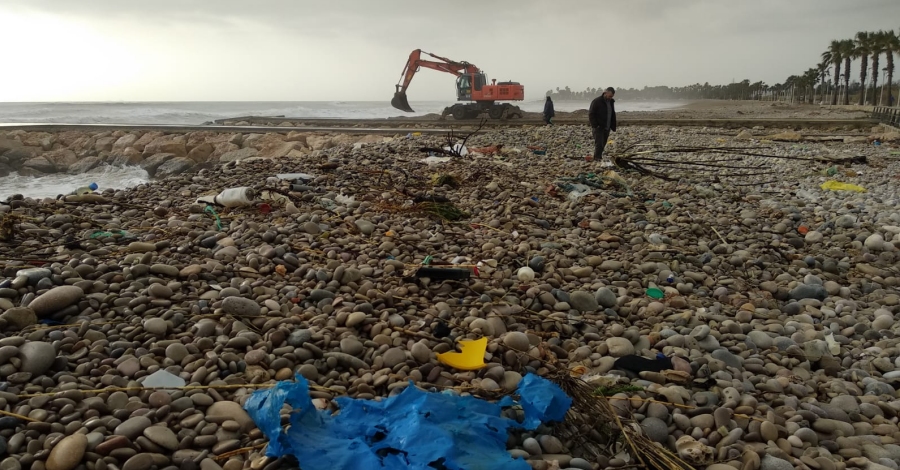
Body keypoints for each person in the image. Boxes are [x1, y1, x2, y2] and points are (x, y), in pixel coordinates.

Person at [589, 87, 616, 160]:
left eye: (612, 96)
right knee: (599, 143)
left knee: (603, 143)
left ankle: (599, 156)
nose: (610, 98)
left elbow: (612, 114)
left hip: (607, 126)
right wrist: (595, 125)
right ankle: (597, 157)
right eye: (609, 96)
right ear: (605, 93)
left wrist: (612, 125)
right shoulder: (597, 101)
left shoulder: (611, 102)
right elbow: (591, 114)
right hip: (598, 127)